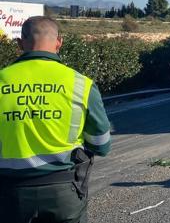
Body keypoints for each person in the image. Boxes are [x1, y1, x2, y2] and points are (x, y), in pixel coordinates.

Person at [0, 16, 111, 222]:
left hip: (9, 195)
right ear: (59, 42)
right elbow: (101, 145)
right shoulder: (81, 84)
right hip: (64, 193)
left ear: (19, 43)